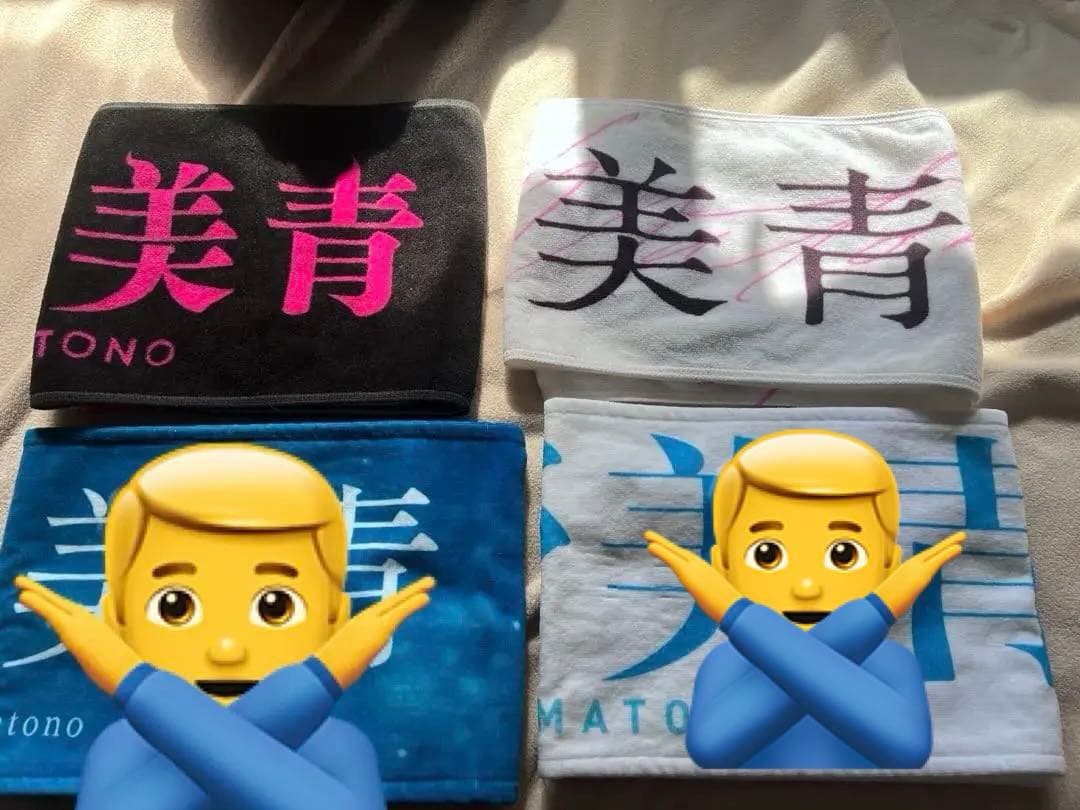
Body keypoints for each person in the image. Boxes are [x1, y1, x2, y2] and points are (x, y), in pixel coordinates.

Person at [15, 443, 434, 810]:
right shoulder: (121, 745)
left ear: (336, 620)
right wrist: (320, 679)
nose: (227, 649)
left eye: (276, 607)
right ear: (116, 619)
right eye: (175, 607)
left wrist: (132, 682)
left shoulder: (341, 746)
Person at [644, 429, 963, 769]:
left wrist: (735, 613)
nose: (807, 587)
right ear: (722, 566)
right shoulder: (726, 662)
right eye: (767, 554)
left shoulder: (892, 661)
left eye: (844, 555)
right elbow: (712, 749)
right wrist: (877, 611)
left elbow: (907, 749)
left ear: (890, 565)